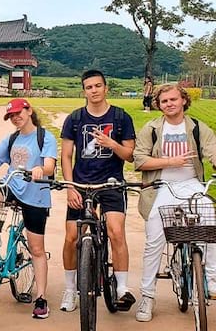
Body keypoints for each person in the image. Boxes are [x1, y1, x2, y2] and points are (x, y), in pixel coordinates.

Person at [0, 98, 57, 318]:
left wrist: (40, 170)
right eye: (12, 116)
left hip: (36, 194)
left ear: (29, 111)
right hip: (11, 185)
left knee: (36, 249)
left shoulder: (45, 137)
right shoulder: (12, 138)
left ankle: (41, 297)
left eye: (19, 113)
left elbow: (50, 165)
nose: (16, 118)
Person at [133, 84, 216, 322]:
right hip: (160, 187)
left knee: (209, 221)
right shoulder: (152, 128)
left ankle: (211, 279)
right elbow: (139, 160)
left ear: (183, 101)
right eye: (164, 101)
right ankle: (147, 296)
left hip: (191, 184)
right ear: (158, 105)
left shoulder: (197, 128)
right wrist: (170, 162)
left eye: (173, 99)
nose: (169, 104)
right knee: (154, 242)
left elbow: (212, 150)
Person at [59, 69, 136, 313]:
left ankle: (122, 287)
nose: (93, 90)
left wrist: (111, 143)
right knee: (72, 237)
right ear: (84, 91)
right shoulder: (75, 119)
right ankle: (71, 289)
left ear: (106, 88)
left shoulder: (121, 117)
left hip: (111, 182)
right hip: (82, 184)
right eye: (89, 87)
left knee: (115, 232)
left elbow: (130, 156)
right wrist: (71, 187)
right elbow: (66, 155)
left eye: (97, 86)